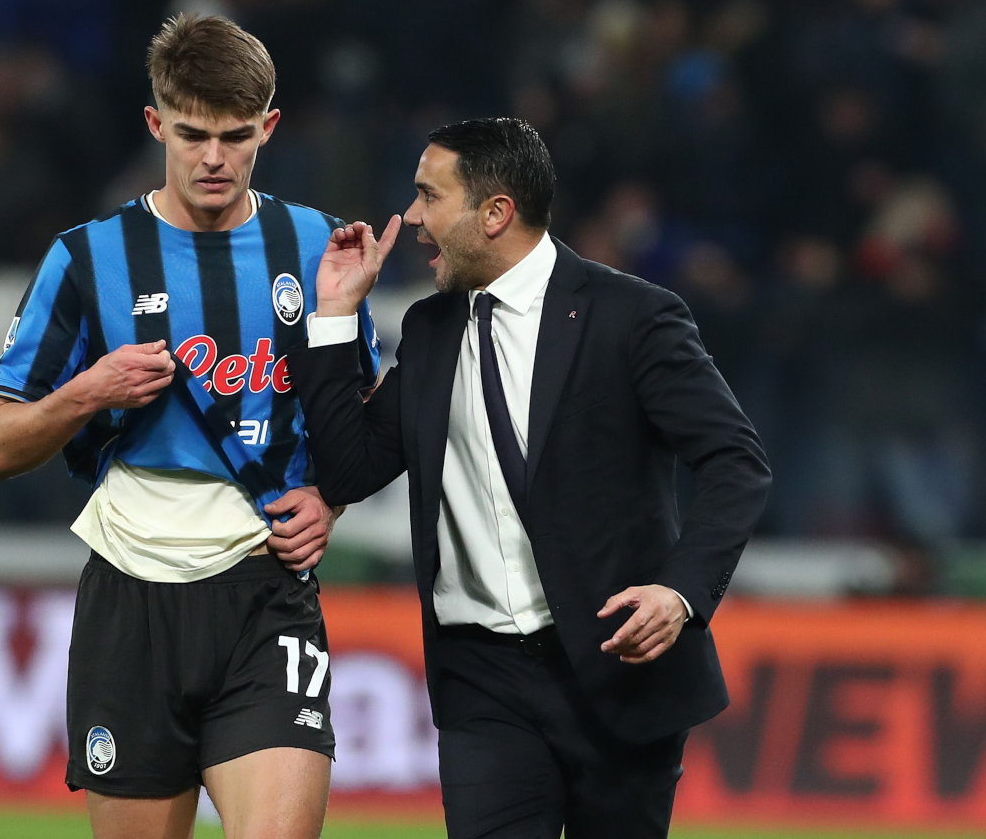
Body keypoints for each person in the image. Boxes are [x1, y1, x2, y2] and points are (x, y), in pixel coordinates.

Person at [289, 118, 772, 838]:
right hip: (482, 681)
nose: (412, 218)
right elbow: (348, 469)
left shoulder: (631, 317)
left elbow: (736, 461)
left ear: (495, 213)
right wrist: (334, 314)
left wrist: (679, 592)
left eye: (429, 196)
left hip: (613, 667)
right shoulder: (430, 329)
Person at [0, 15, 379, 839]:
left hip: (265, 592)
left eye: (236, 136)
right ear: (156, 124)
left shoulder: (312, 244)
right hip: (132, 600)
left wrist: (329, 501)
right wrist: (87, 391)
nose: (214, 158)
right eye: (193, 134)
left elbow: (360, 414)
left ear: (269, 127)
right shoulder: (86, 258)